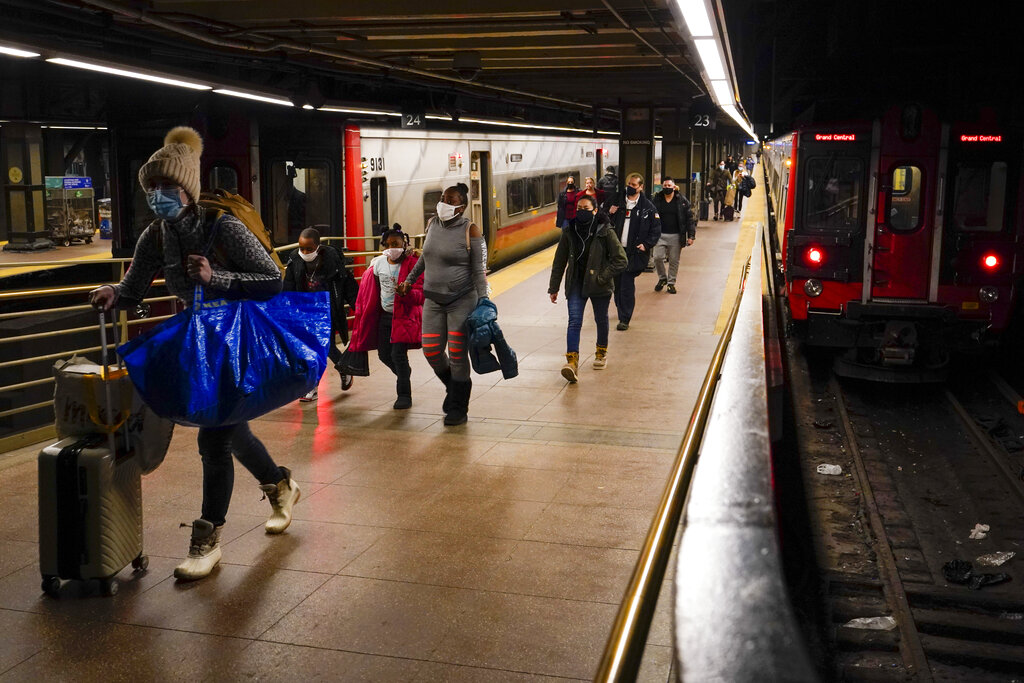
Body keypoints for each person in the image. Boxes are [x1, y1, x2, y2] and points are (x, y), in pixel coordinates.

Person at [88, 126, 299, 582]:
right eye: (153, 187)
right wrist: (113, 292)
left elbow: (274, 281)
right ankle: (280, 485)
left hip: (235, 340)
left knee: (214, 439)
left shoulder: (222, 227)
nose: (160, 195)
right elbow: (133, 289)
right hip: (198, 343)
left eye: (168, 186)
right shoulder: (155, 236)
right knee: (230, 427)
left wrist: (216, 278)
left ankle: (207, 540)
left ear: (189, 188)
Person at [397, 183, 488, 426]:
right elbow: (425, 258)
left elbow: (478, 270)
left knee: (458, 354)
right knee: (431, 350)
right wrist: (408, 281)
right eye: (442, 198)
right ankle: (453, 387)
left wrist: (485, 300)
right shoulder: (432, 225)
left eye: (450, 200)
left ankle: (459, 406)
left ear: (461, 207)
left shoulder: (471, 230)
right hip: (433, 299)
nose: (443, 204)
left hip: (461, 300)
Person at [549, 195, 626, 381]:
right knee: (574, 321)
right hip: (576, 282)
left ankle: (601, 353)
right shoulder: (569, 231)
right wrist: (554, 287)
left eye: (586, 208)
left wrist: (602, 277)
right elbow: (559, 261)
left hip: (599, 284)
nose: (582, 212)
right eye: (579, 208)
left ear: (595, 210)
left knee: (601, 319)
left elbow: (621, 260)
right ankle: (572, 363)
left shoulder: (605, 231)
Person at [348, 226, 423, 409]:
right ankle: (404, 373)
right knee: (383, 354)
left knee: (398, 355)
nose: (392, 248)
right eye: (388, 244)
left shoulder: (413, 264)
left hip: (403, 317)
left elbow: (421, 294)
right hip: (384, 317)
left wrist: (407, 293)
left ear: (404, 244)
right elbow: (369, 291)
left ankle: (404, 395)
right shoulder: (378, 264)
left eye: (396, 244)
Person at [283, 227, 356, 401]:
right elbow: (289, 286)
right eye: (302, 248)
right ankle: (344, 369)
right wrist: (287, 309)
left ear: (318, 246)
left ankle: (312, 387)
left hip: (327, 310)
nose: (305, 252)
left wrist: (357, 305)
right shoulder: (295, 260)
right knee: (314, 348)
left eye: (309, 248)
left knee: (323, 348)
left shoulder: (332, 260)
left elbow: (345, 284)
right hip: (306, 311)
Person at [608, 173, 661, 331]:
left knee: (626, 285)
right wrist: (610, 213)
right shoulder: (616, 202)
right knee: (616, 285)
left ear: (641, 187)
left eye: (634, 185)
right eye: (629, 184)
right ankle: (621, 309)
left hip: (633, 253)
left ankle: (625, 318)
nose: (630, 187)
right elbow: (602, 220)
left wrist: (646, 245)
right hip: (616, 251)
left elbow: (656, 229)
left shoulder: (648, 207)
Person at [652, 177, 695, 294]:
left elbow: (689, 219)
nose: (667, 188)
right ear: (662, 186)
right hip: (659, 235)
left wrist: (691, 236)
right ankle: (662, 278)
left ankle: (671, 283)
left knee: (674, 260)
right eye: (665, 186)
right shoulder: (656, 199)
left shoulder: (682, 201)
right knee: (657, 257)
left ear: (674, 187)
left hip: (676, 235)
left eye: (669, 186)